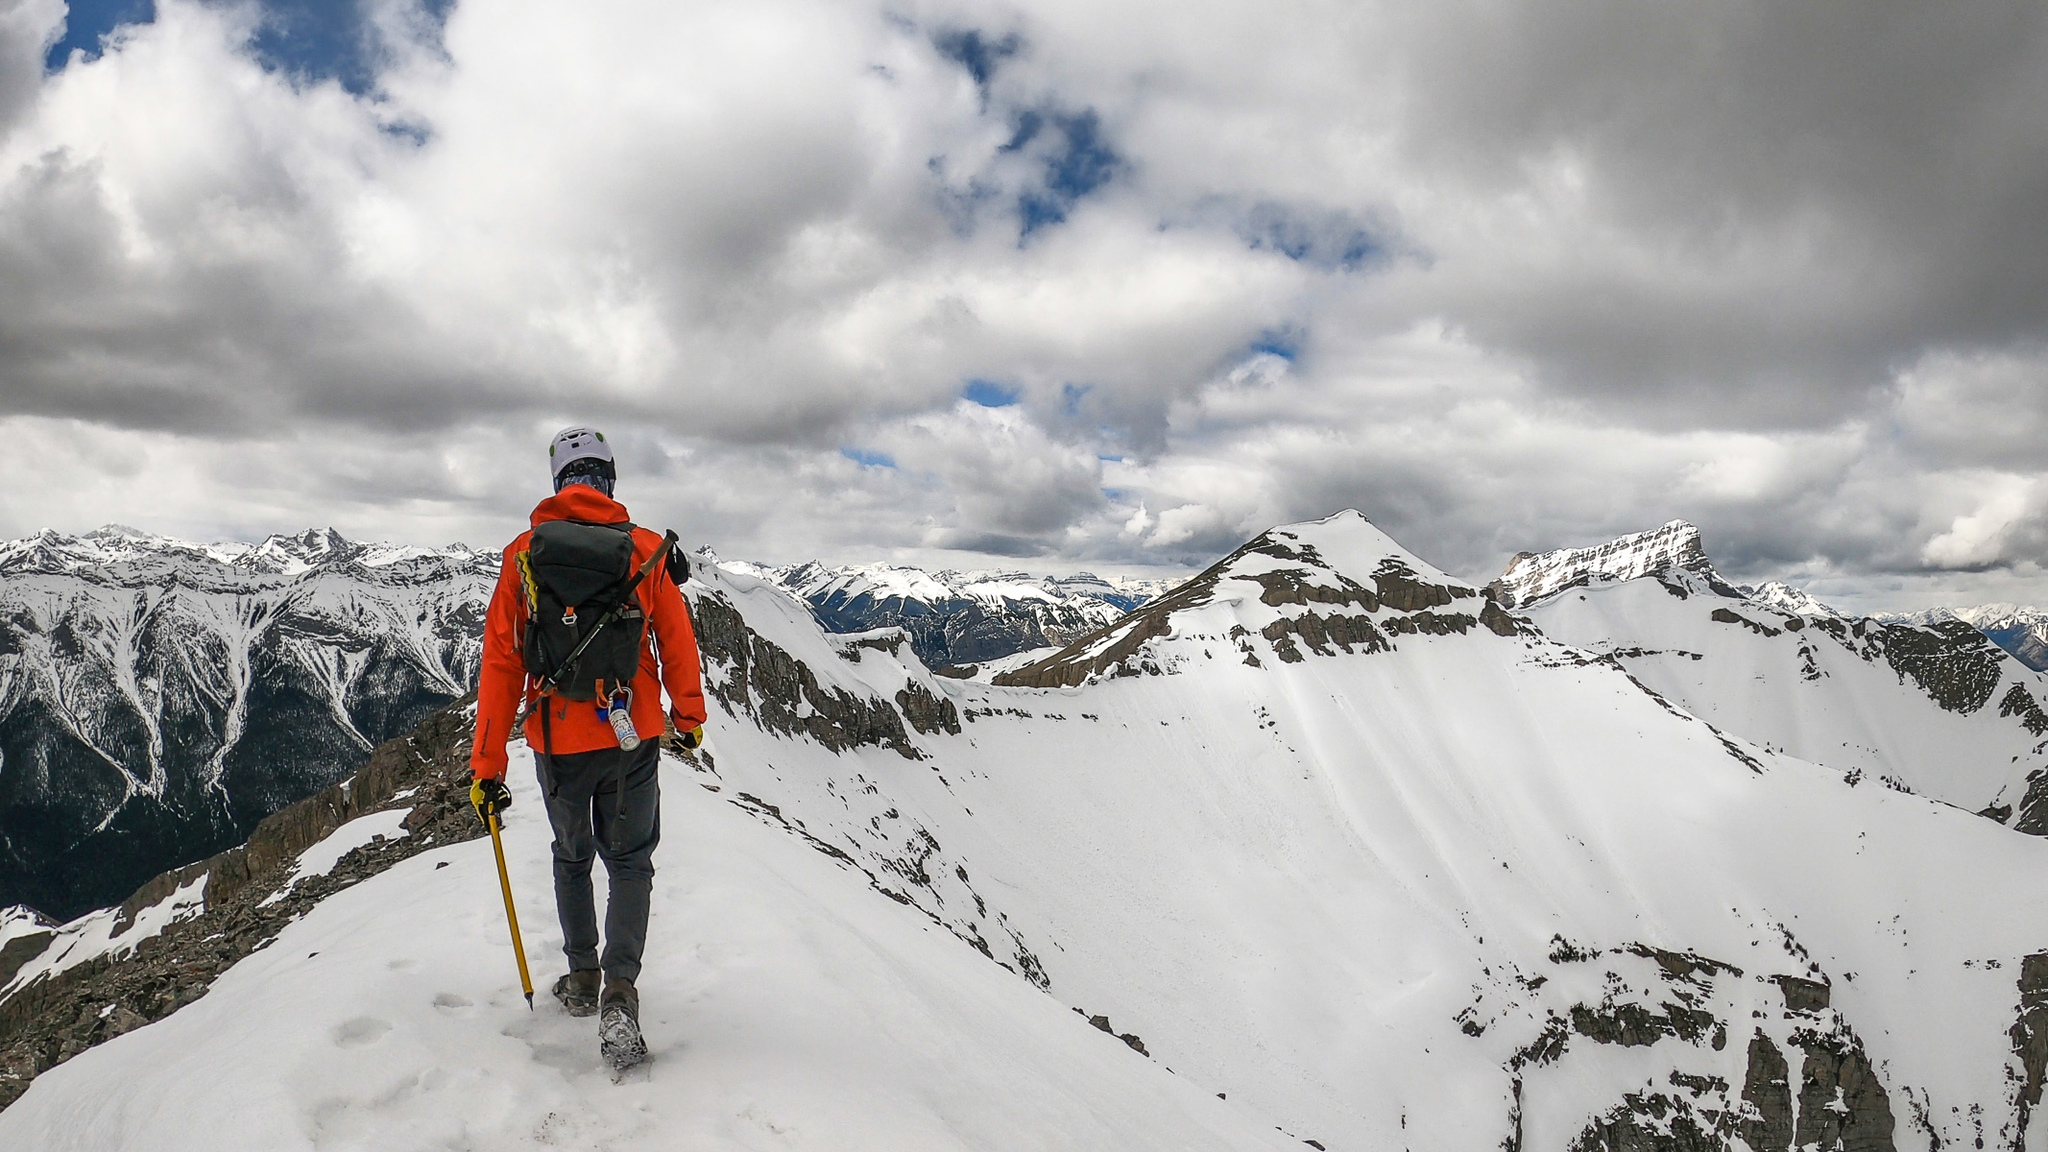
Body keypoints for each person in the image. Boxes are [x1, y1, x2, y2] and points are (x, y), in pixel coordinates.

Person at [469, 425, 706, 1067]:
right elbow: (676, 643)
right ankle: (621, 994)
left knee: (571, 857)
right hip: (632, 743)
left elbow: (500, 664)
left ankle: (580, 981)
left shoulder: (523, 556)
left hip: (557, 742)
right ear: (608, 479)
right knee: (630, 861)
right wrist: (689, 715)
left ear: (557, 484)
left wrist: (487, 764)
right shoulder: (646, 551)